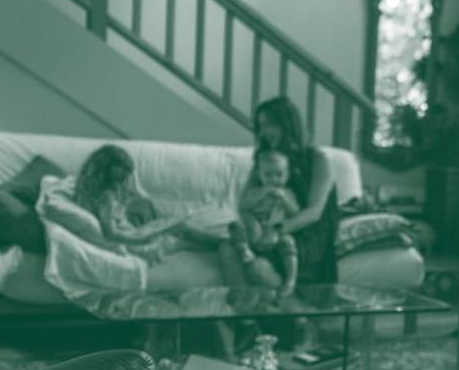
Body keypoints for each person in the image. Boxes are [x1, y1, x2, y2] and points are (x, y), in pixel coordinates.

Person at [218, 97, 340, 347]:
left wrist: (277, 231)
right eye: (260, 126)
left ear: (287, 125)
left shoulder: (317, 159)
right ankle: (247, 320)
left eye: (269, 125)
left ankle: (302, 316)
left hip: (307, 233)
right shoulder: (264, 159)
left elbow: (315, 212)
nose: (264, 132)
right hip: (268, 229)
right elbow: (244, 203)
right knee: (226, 248)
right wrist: (254, 227)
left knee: (259, 266)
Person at [72, 144, 202, 263]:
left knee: (175, 225)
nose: (124, 181)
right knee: (182, 229)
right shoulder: (106, 197)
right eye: (124, 176)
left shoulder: (85, 191)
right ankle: (218, 243)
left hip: (131, 235)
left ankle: (214, 242)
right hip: (133, 245)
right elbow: (111, 233)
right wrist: (142, 238)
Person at [229, 147, 300, 293]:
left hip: (275, 233)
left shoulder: (288, 193)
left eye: (279, 174)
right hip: (252, 232)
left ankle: (291, 279)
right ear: (259, 176)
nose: (274, 179)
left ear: (287, 175)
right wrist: (262, 195)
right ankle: (245, 253)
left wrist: (284, 200)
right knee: (234, 227)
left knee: (289, 242)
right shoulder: (255, 192)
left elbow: (295, 212)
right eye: (268, 175)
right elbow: (243, 206)